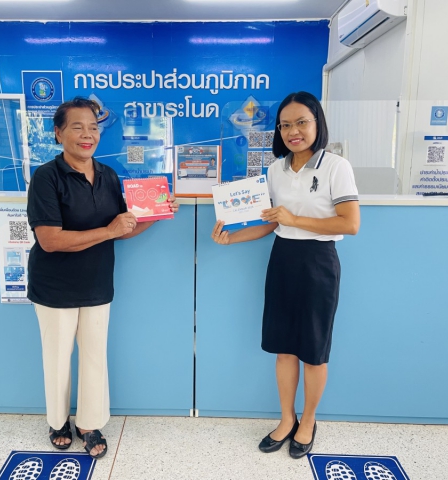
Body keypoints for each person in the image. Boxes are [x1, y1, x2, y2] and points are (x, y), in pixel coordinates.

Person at [27, 96, 178, 458]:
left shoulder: (108, 175)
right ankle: (58, 421)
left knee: (95, 356)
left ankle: (89, 423)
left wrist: (156, 213)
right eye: (77, 127)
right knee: (57, 358)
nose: (87, 135)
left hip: (97, 283)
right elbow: (49, 240)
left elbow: (122, 229)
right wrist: (109, 231)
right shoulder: (47, 177)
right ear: (58, 133)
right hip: (54, 286)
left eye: (93, 128)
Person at [211, 91, 359, 459]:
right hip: (283, 259)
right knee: (284, 349)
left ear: (317, 123)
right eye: (285, 125)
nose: (294, 131)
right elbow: (270, 223)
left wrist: (295, 219)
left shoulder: (336, 166)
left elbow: (350, 223)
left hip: (319, 262)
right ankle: (286, 418)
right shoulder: (275, 169)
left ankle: (308, 420)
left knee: (313, 352)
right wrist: (231, 238)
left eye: (301, 122)